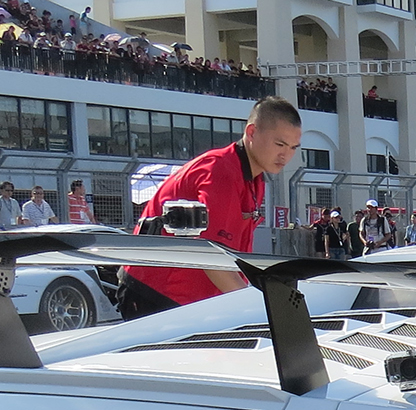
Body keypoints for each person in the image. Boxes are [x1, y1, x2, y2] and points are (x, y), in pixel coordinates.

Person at [119, 96, 302, 318]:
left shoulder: (253, 178)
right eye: (280, 144)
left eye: (293, 148)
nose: (286, 155)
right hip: (156, 292)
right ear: (252, 132)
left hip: (187, 296)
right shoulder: (220, 171)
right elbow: (213, 258)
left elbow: (228, 258)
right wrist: (256, 309)